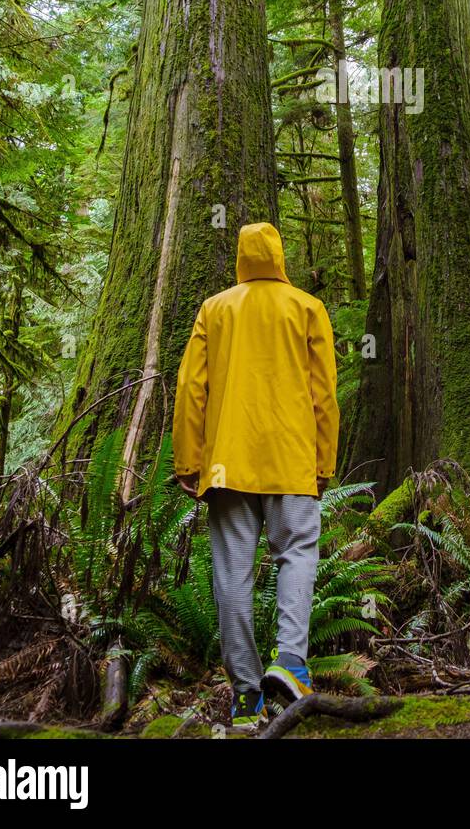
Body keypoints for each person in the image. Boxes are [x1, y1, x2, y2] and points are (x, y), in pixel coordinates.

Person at [173, 221, 339, 730]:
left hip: (226, 464)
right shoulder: (308, 308)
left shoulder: (215, 309)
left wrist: (189, 461)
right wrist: (324, 462)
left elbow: (190, 389)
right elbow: (323, 395)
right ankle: (290, 661)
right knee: (296, 554)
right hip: (291, 461)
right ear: (280, 256)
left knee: (232, 576)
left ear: (241, 257)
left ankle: (246, 697)